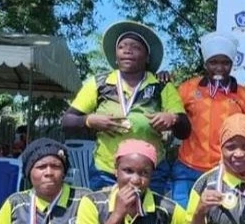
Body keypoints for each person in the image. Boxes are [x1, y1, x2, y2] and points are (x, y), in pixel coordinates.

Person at [62, 20, 190, 192]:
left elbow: (185, 130)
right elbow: (67, 121)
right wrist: (89, 120)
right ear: (116, 56)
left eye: (135, 47)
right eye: (122, 47)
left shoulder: (161, 86)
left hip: (151, 172)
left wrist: (173, 118)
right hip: (106, 172)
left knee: (150, 218)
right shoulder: (98, 84)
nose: (127, 51)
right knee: (107, 217)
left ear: (147, 58)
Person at [169, 32, 245, 224]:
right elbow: (176, 120)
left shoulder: (243, 94)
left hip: (225, 173)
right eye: (213, 62)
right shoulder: (187, 88)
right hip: (187, 169)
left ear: (232, 63)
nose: (219, 67)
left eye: (225, 62)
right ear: (205, 63)